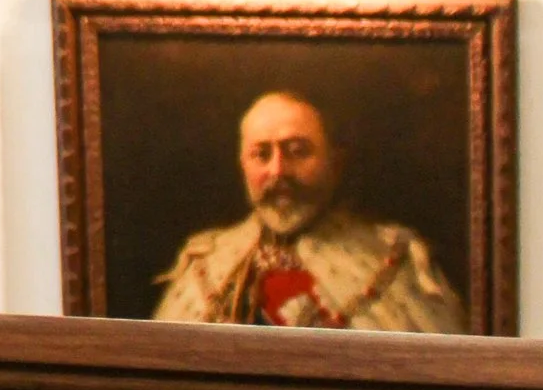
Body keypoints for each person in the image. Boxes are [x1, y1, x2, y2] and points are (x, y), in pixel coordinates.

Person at [153, 88, 464, 331]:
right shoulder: (204, 263)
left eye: (297, 152)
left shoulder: (393, 260)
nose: (278, 171)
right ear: (243, 167)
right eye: (261, 154)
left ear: (335, 163)